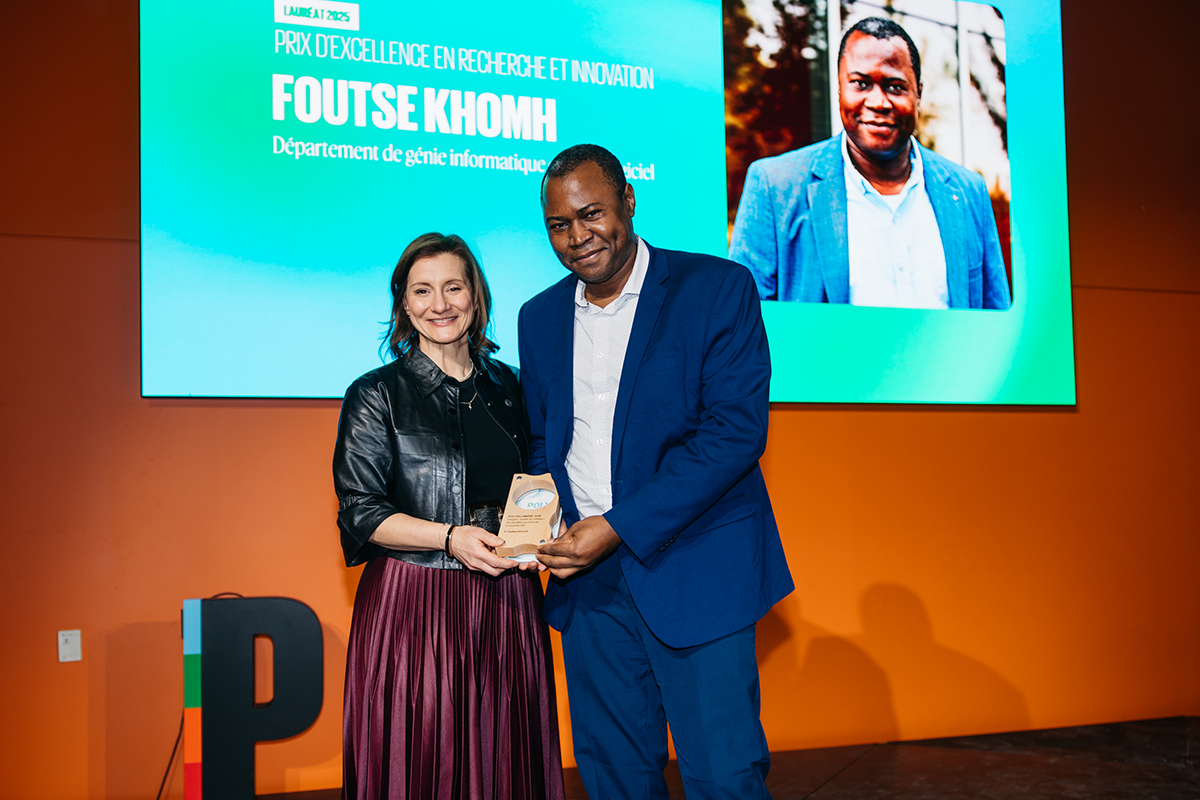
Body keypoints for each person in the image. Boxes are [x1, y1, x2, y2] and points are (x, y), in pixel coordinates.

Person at [518, 144, 794, 799]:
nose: (578, 236)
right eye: (560, 224)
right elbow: (540, 443)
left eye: (592, 214)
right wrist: (528, 535)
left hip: (696, 571)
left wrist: (615, 526)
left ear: (629, 203)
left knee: (722, 777)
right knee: (614, 776)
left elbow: (734, 434)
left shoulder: (716, 288)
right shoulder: (539, 317)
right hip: (590, 592)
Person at [333, 233, 565, 800]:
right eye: (422, 290)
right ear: (404, 304)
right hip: (414, 605)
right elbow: (361, 511)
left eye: (453, 286)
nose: (440, 303)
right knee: (420, 763)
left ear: (475, 294)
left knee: (504, 760)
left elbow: (537, 479)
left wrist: (545, 531)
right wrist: (450, 538)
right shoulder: (374, 395)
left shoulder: (510, 387)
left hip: (507, 601)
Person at [729, 17, 1012, 310]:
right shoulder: (775, 187)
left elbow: (996, 322)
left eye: (895, 86)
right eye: (860, 84)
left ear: (919, 93)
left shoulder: (968, 192)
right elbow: (742, 328)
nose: (878, 102)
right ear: (840, 89)